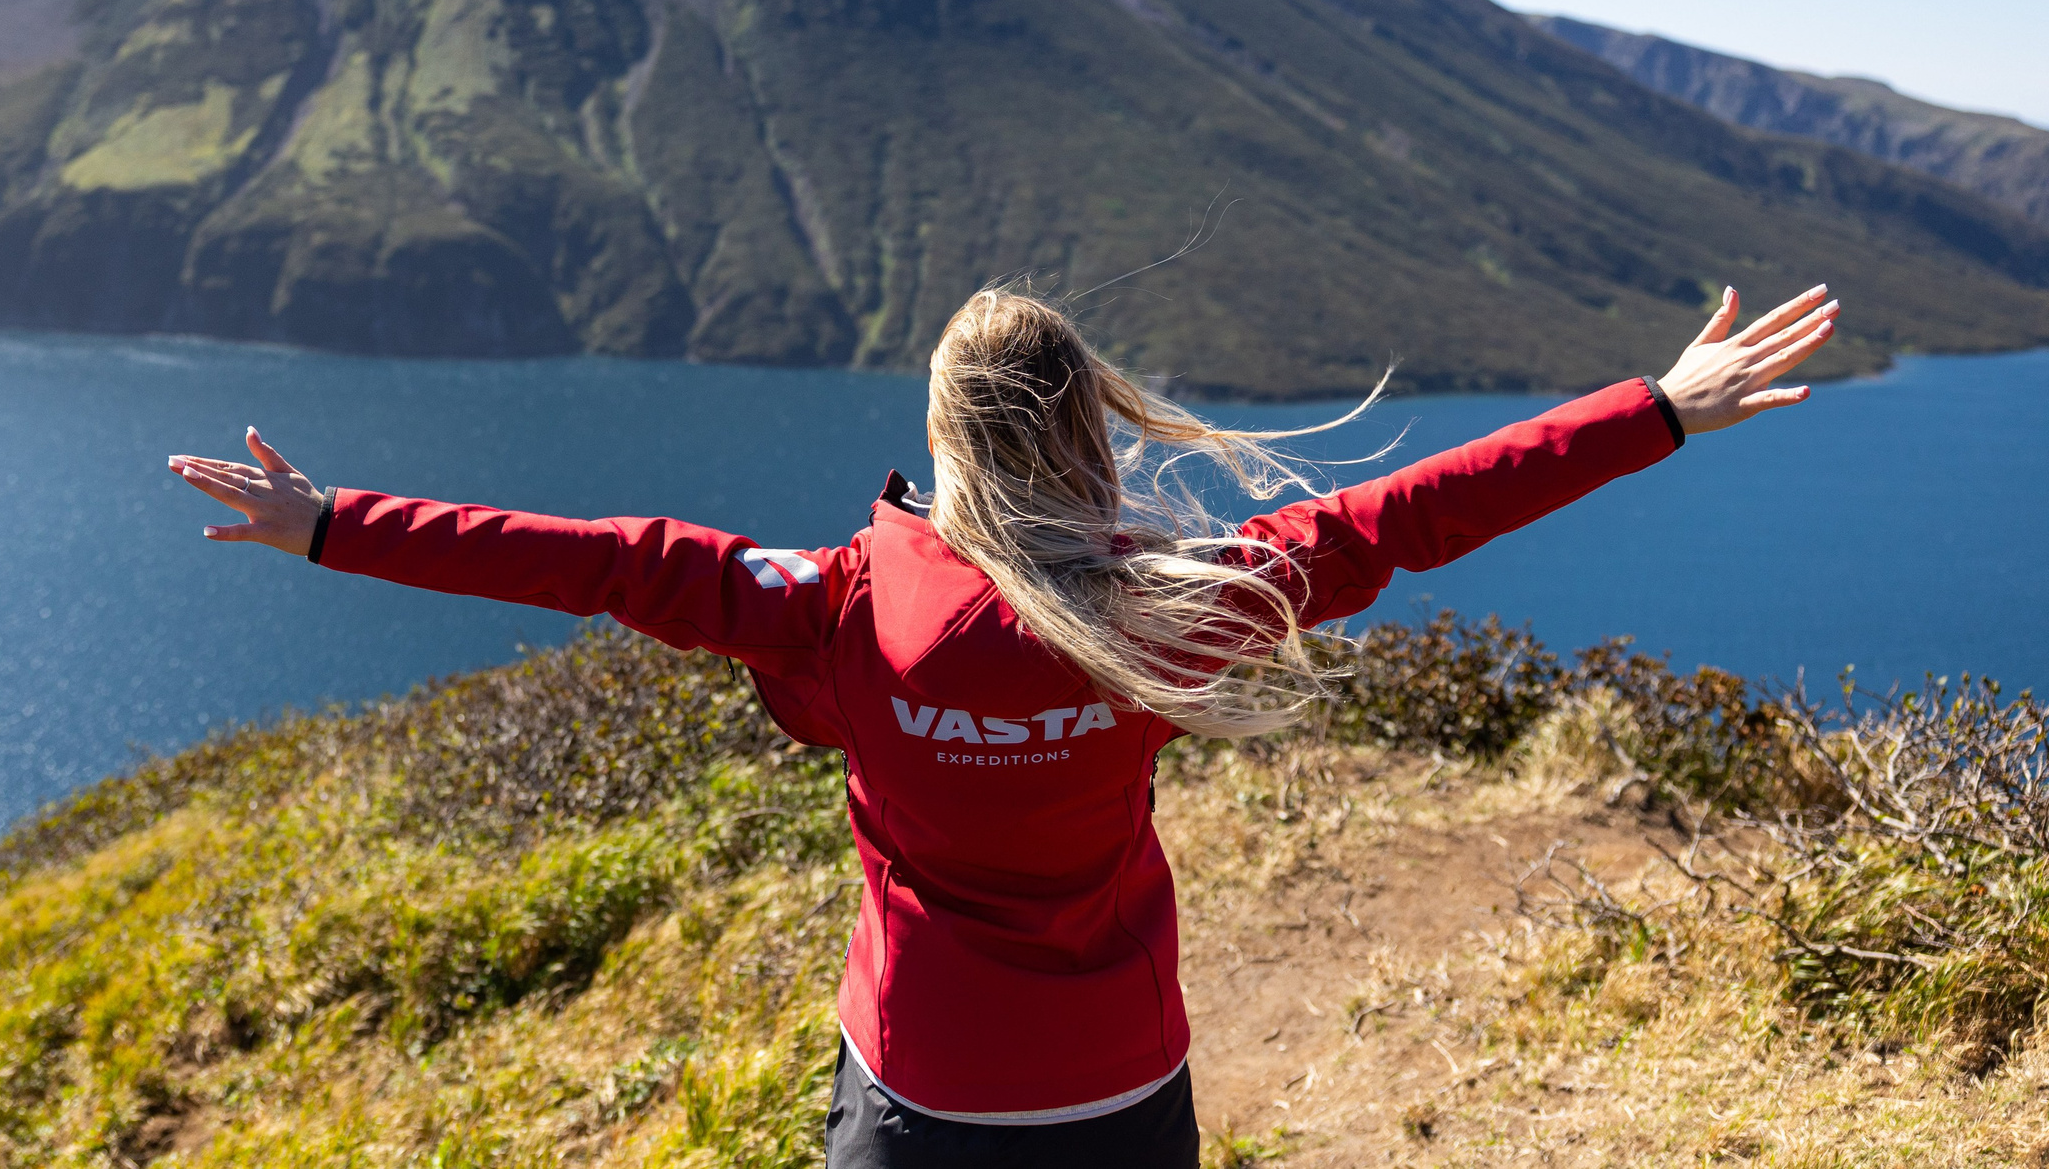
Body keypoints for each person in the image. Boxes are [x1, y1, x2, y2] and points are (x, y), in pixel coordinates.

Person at [169, 280, 1839, 1167]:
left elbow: (604, 565)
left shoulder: (831, 604)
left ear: (947, 439)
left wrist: (333, 524)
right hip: (1122, 1084)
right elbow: (1411, 514)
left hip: (920, 1096)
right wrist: (1658, 409)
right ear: (1092, 426)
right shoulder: (1184, 597)